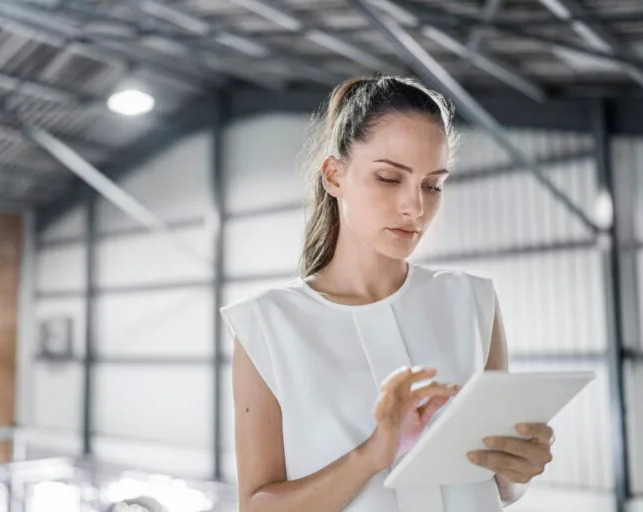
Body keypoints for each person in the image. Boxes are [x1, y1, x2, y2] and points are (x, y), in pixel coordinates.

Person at [219, 75, 555, 511]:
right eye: (388, 178)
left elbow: (500, 486)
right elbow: (257, 506)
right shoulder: (267, 324)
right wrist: (372, 454)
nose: (415, 207)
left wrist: (518, 468)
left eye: (432, 185)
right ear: (334, 175)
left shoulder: (473, 302)